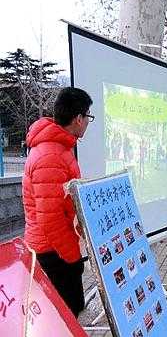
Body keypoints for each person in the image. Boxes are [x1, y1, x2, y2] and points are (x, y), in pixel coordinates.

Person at [23, 87, 93, 317]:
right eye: (88, 117)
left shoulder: (58, 148)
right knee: (65, 317)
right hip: (53, 254)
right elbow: (50, 220)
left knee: (68, 315)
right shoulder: (50, 156)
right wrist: (73, 258)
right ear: (77, 118)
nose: (88, 123)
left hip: (56, 250)